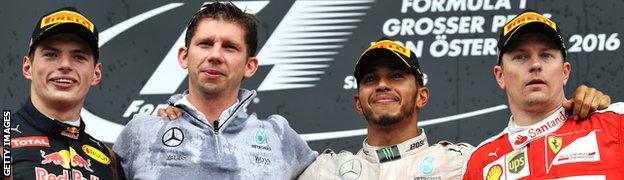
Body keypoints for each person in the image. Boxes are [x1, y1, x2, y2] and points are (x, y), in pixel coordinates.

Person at [296, 36, 610, 179]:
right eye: (370, 79)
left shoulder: (466, 163)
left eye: (396, 76)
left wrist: (588, 107)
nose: (382, 85)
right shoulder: (324, 170)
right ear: (357, 102)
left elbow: (539, 147)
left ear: (422, 97)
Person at [112, 2, 317, 179]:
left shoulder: (279, 136)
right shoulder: (142, 132)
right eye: (205, 44)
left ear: (250, 66)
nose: (215, 55)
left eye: (230, 47)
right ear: (184, 56)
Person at [463, 9, 623, 179]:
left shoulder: (616, 123)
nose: (536, 65)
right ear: (500, 76)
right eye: (520, 57)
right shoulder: (480, 163)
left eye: (546, 55)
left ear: (565, 72)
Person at [2, 7, 124, 180]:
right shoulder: (3, 139)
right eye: (51, 54)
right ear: (27, 67)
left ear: (96, 74)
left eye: (79, 57)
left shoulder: (110, 162)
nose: (65, 65)